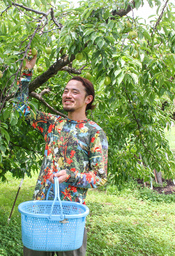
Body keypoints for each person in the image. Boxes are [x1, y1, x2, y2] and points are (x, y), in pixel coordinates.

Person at [16, 51, 108, 256]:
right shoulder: (53, 123)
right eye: (66, 91)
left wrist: (71, 176)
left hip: (71, 214)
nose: (67, 95)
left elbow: (100, 178)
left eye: (75, 92)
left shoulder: (94, 132)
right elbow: (21, 107)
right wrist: (27, 72)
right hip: (40, 210)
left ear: (88, 99)